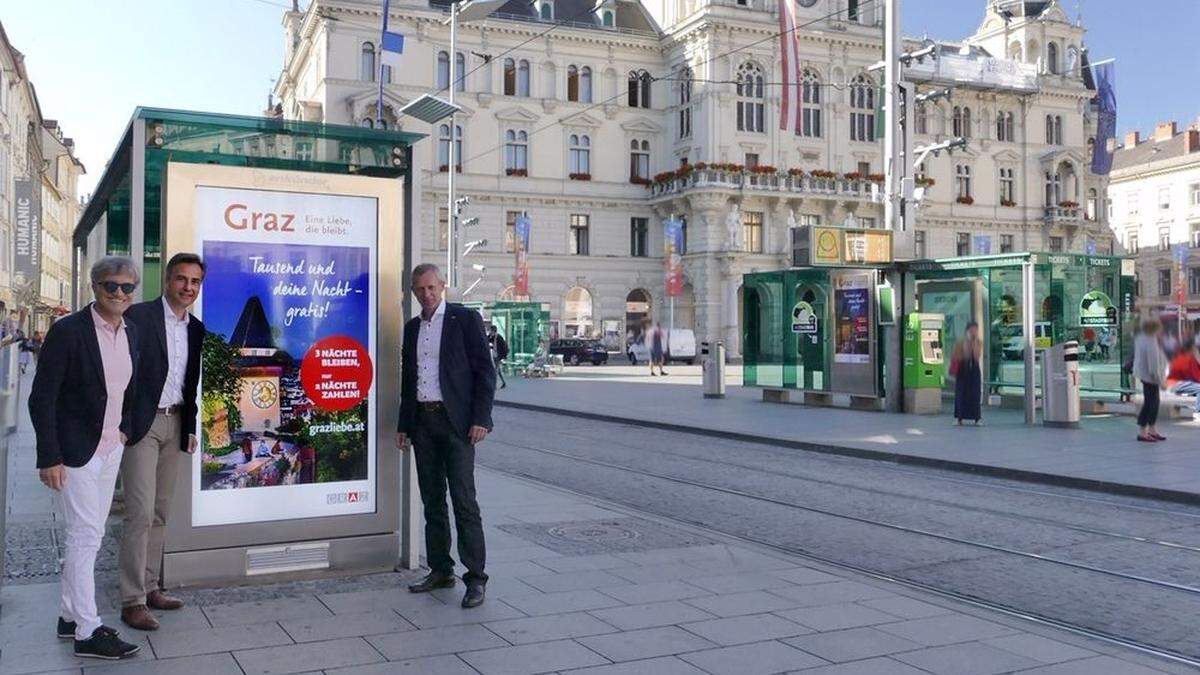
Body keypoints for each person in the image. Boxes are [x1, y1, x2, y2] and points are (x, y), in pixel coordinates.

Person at [28, 256, 142, 660]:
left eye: (127, 287)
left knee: (88, 535)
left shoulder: (131, 331)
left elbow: (128, 388)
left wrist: (126, 427)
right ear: (95, 287)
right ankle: (87, 631)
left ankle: (68, 615)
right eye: (111, 286)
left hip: (111, 447)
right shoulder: (68, 331)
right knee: (85, 536)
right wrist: (49, 456)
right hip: (76, 450)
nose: (119, 294)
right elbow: (42, 397)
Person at [396, 263, 495, 609]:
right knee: (432, 502)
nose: (427, 294)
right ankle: (441, 569)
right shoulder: (411, 329)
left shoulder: (464, 320)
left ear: (443, 286)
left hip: (457, 425)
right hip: (424, 423)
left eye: (431, 288)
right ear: (414, 292)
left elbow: (485, 372)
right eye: (420, 290)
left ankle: (476, 578)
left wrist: (482, 418)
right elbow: (409, 381)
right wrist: (404, 425)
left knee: (464, 502)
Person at [117, 253, 206, 631]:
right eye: (181, 279)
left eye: (195, 282)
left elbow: (190, 382)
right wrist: (119, 422)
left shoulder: (196, 328)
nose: (188, 287)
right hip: (142, 424)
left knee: (160, 511)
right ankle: (131, 600)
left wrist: (190, 427)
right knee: (139, 511)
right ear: (167, 280)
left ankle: (152, 587)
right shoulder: (138, 318)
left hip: (176, 422)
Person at [1133, 318, 1170, 442]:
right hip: (1150, 377)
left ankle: (1151, 429)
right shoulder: (1151, 340)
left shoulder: (1142, 337)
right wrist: (1161, 381)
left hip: (1145, 375)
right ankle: (1143, 431)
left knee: (1153, 402)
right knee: (1150, 403)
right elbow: (1153, 365)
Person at [951, 321, 983, 426]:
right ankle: (959, 417)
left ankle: (976, 418)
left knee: (975, 393)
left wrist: (973, 344)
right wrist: (966, 347)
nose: (974, 332)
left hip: (974, 369)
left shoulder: (978, 342)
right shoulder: (960, 342)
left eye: (975, 330)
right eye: (972, 330)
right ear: (967, 331)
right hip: (962, 368)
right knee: (961, 393)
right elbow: (957, 356)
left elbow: (976, 356)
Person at [1167, 338, 1200, 416]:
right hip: (1176, 384)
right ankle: (1198, 412)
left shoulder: (1183, 356)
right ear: (1192, 348)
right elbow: (1195, 377)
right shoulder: (1187, 358)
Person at [488, 324, 508, 389]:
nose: (489, 332)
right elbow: (487, 341)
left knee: (496, 370)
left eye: (490, 331)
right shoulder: (491, 337)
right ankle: (503, 382)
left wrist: (504, 356)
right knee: (498, 371)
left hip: (498, 356)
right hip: (494, 355)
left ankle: (494, 385)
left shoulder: (499, 337)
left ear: (493, 331)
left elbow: (504, 347)